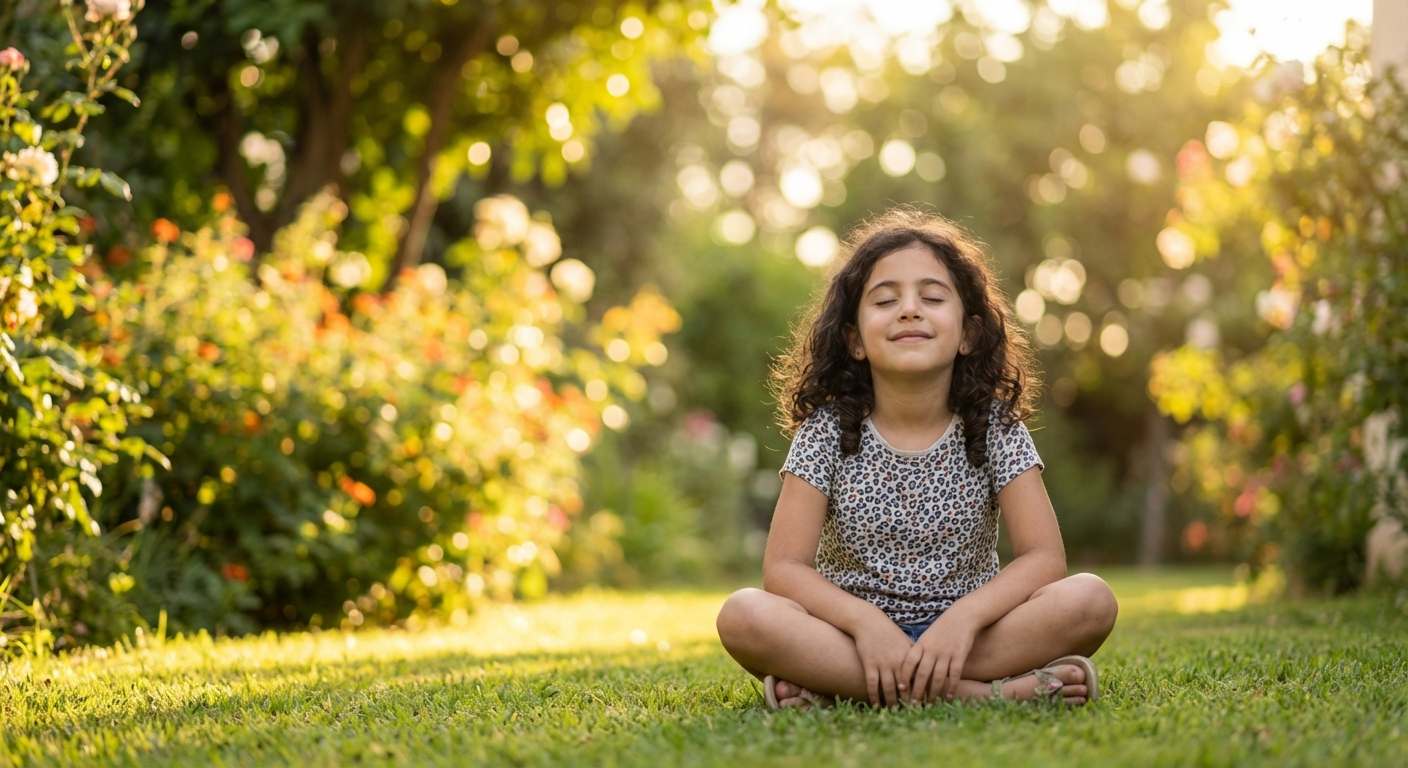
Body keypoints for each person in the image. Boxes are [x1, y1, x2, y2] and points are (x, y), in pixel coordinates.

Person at [715, 209, 1118, 709]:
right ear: (855, 339)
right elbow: (784, 569)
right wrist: (866, 625)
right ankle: (984, 696)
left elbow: (1043, 559)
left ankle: (843, 688)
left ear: (968, 334)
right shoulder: (825, 431)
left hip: (972, 638)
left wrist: (962, 621)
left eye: (931, 297)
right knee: (743, 615)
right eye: (885, 300)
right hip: (851, 637)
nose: (909, 310)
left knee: (1090, 599)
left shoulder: (995, 427)